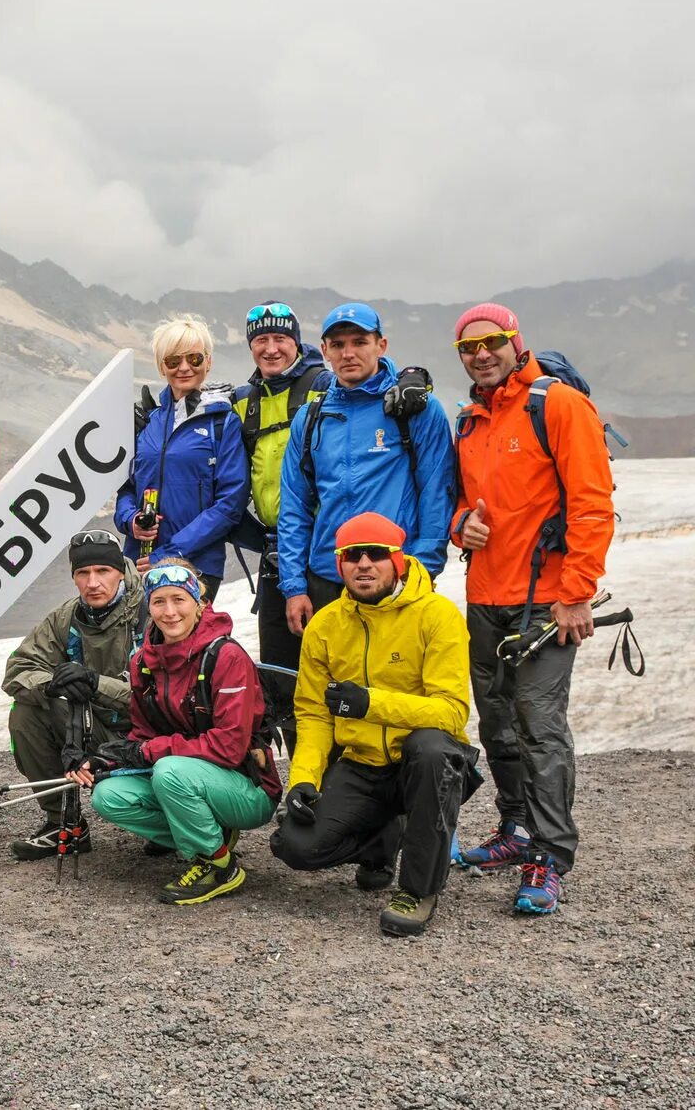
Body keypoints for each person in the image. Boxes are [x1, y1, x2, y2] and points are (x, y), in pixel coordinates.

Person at [449, 303, 615, 915]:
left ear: (516, 342)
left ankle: (550, 854)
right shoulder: (469, 420)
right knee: (497, 724)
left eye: (493, 342)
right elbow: (460, 503)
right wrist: (459, 523)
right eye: (469, 347)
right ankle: (516, 830)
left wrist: (576, 593)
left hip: (546, 603)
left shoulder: (558, 405)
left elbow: (593, 503)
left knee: (540, 727)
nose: (482, 354)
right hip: (486, 597)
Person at [268, 513, 478, 937]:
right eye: (352, 555)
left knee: (432, 749)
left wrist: (371, 704)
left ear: (398, 560)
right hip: (363, 763)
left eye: (376, 554)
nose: (364, 564)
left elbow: (452, 712)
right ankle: (385, 837)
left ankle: (418, 890)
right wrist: (304, 780)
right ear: (339, 563)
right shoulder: (325, 626)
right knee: (293, 845)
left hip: (423, 763)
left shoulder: (438, 614)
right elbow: (312, 714)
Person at [72, 560, 282, 904]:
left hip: (248, 786)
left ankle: (217, 865)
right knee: (108, 796)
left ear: (198, 603)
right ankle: (212, 837)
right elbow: (143, 733)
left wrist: (149, 752)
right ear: (148, 606)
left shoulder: (225, 657)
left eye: (179, 599)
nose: (169, 612)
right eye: (159, 601)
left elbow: (230, 747)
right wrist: (108, 761)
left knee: (170, 772)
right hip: (190, 778)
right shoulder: (143, 662)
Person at [278, 304, 454, 637]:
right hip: (328, 578)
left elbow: (436, 492)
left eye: (359, 341)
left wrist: (423, 572)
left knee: (395, 685)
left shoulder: (414, 408)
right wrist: (294, 586)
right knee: (328, 685)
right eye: (339, 344)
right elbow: (294, 505)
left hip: (395, 578)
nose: (349, 353)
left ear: (381, 345)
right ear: (325, 350)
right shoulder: (311, 416)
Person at [0, 530, 141, 861]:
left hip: (152, 731)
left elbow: (163, 696)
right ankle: (63, 824)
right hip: (100, 727)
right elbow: (19, 670)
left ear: (120, 570)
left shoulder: (153, 611)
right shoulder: (66, 618)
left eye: (102, 571)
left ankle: (174, 824)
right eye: (83, 573)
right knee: (27, 712)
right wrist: (53, 685)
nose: (93, 582)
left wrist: (95, 684)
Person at [231, 302, 332, 744]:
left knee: (332, 666)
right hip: (275, 550)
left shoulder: (322, 386)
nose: (271, 349)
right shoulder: (243, 402)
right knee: (279, 671)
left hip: (323, 546)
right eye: (261, 341)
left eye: (280, 339)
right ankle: (305, 785)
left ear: (296, 341)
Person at [114, 315, 248, 601]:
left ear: (208, 362)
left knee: (188, 645)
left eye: (195, 359)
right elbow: (125, 488)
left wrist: (170, 553)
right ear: (161, 367)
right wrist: (132, 521)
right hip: (138, 563)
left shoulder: (223, 422)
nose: (184, 367)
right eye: (173, 361)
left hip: (196, 565)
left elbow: (229, 504)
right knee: (142, 646)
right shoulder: (146, 420)